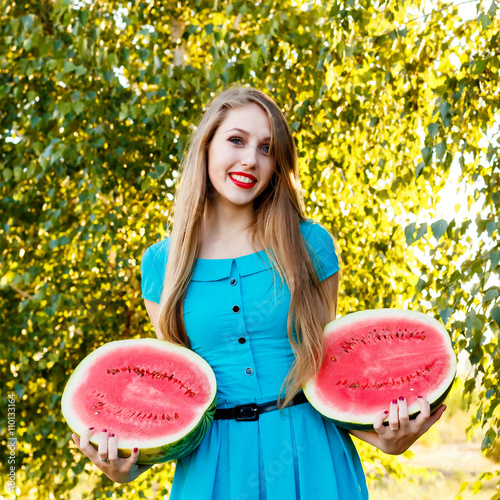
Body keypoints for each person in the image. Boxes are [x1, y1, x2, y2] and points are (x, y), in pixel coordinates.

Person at [71, 86, 446, 498]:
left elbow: (327, 369)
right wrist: (126, 467)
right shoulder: (162, 265)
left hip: (313, 457)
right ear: (207, 145)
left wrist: (386, 438)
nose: (250, 159)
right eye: (236, 140)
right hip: (212, 471)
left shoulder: (311, 245)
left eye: (267, 148)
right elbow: (175, 395)